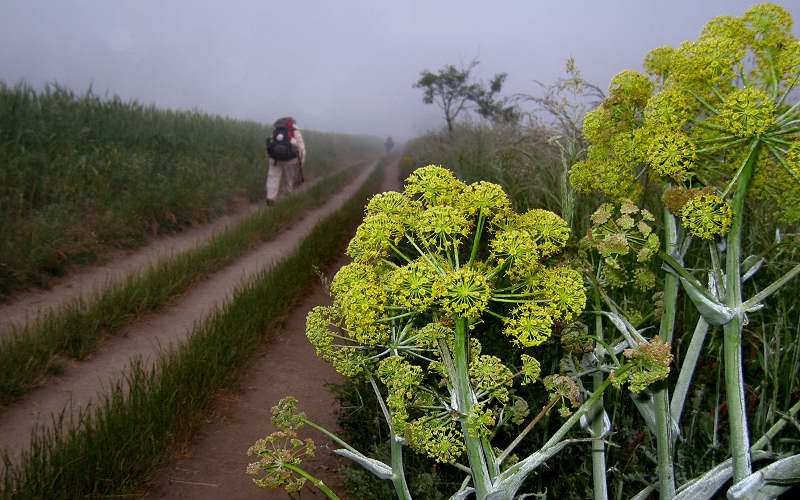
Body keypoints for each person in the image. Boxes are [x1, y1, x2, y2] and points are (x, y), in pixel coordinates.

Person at [265, 116, 306, 205]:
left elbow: (271, 142)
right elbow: (301, 148)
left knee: (273, 177)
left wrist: (269, 155)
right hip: (290, 159)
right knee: (289, 178)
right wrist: (301, 162)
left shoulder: (277, 128)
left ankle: (270, 198)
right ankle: (287, 197)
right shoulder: (295, 129)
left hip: (275, 158)